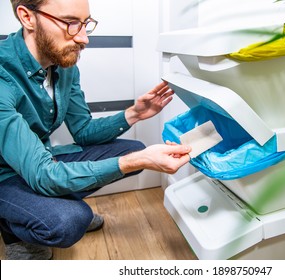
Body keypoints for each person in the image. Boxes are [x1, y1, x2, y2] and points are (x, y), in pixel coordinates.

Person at [0, 0, 191, 260]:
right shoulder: (2, 76)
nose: (83, 38)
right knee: (70, 221)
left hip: (40, 160)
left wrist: (134, 114)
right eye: (70, 23)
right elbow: (43, 174)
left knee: (134, 150)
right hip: (5, 176)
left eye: (85, 24)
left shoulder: (63, 65)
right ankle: (14, 231)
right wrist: (134, 162)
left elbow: (83, 131)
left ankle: (46, 205)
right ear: (27, 17)